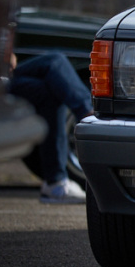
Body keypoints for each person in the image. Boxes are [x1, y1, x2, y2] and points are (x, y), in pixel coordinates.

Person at [8, 52, 93, 204]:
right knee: (55, 61)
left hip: (0, 76)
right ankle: (88, 115)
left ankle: (55, 184)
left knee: (53, 80)